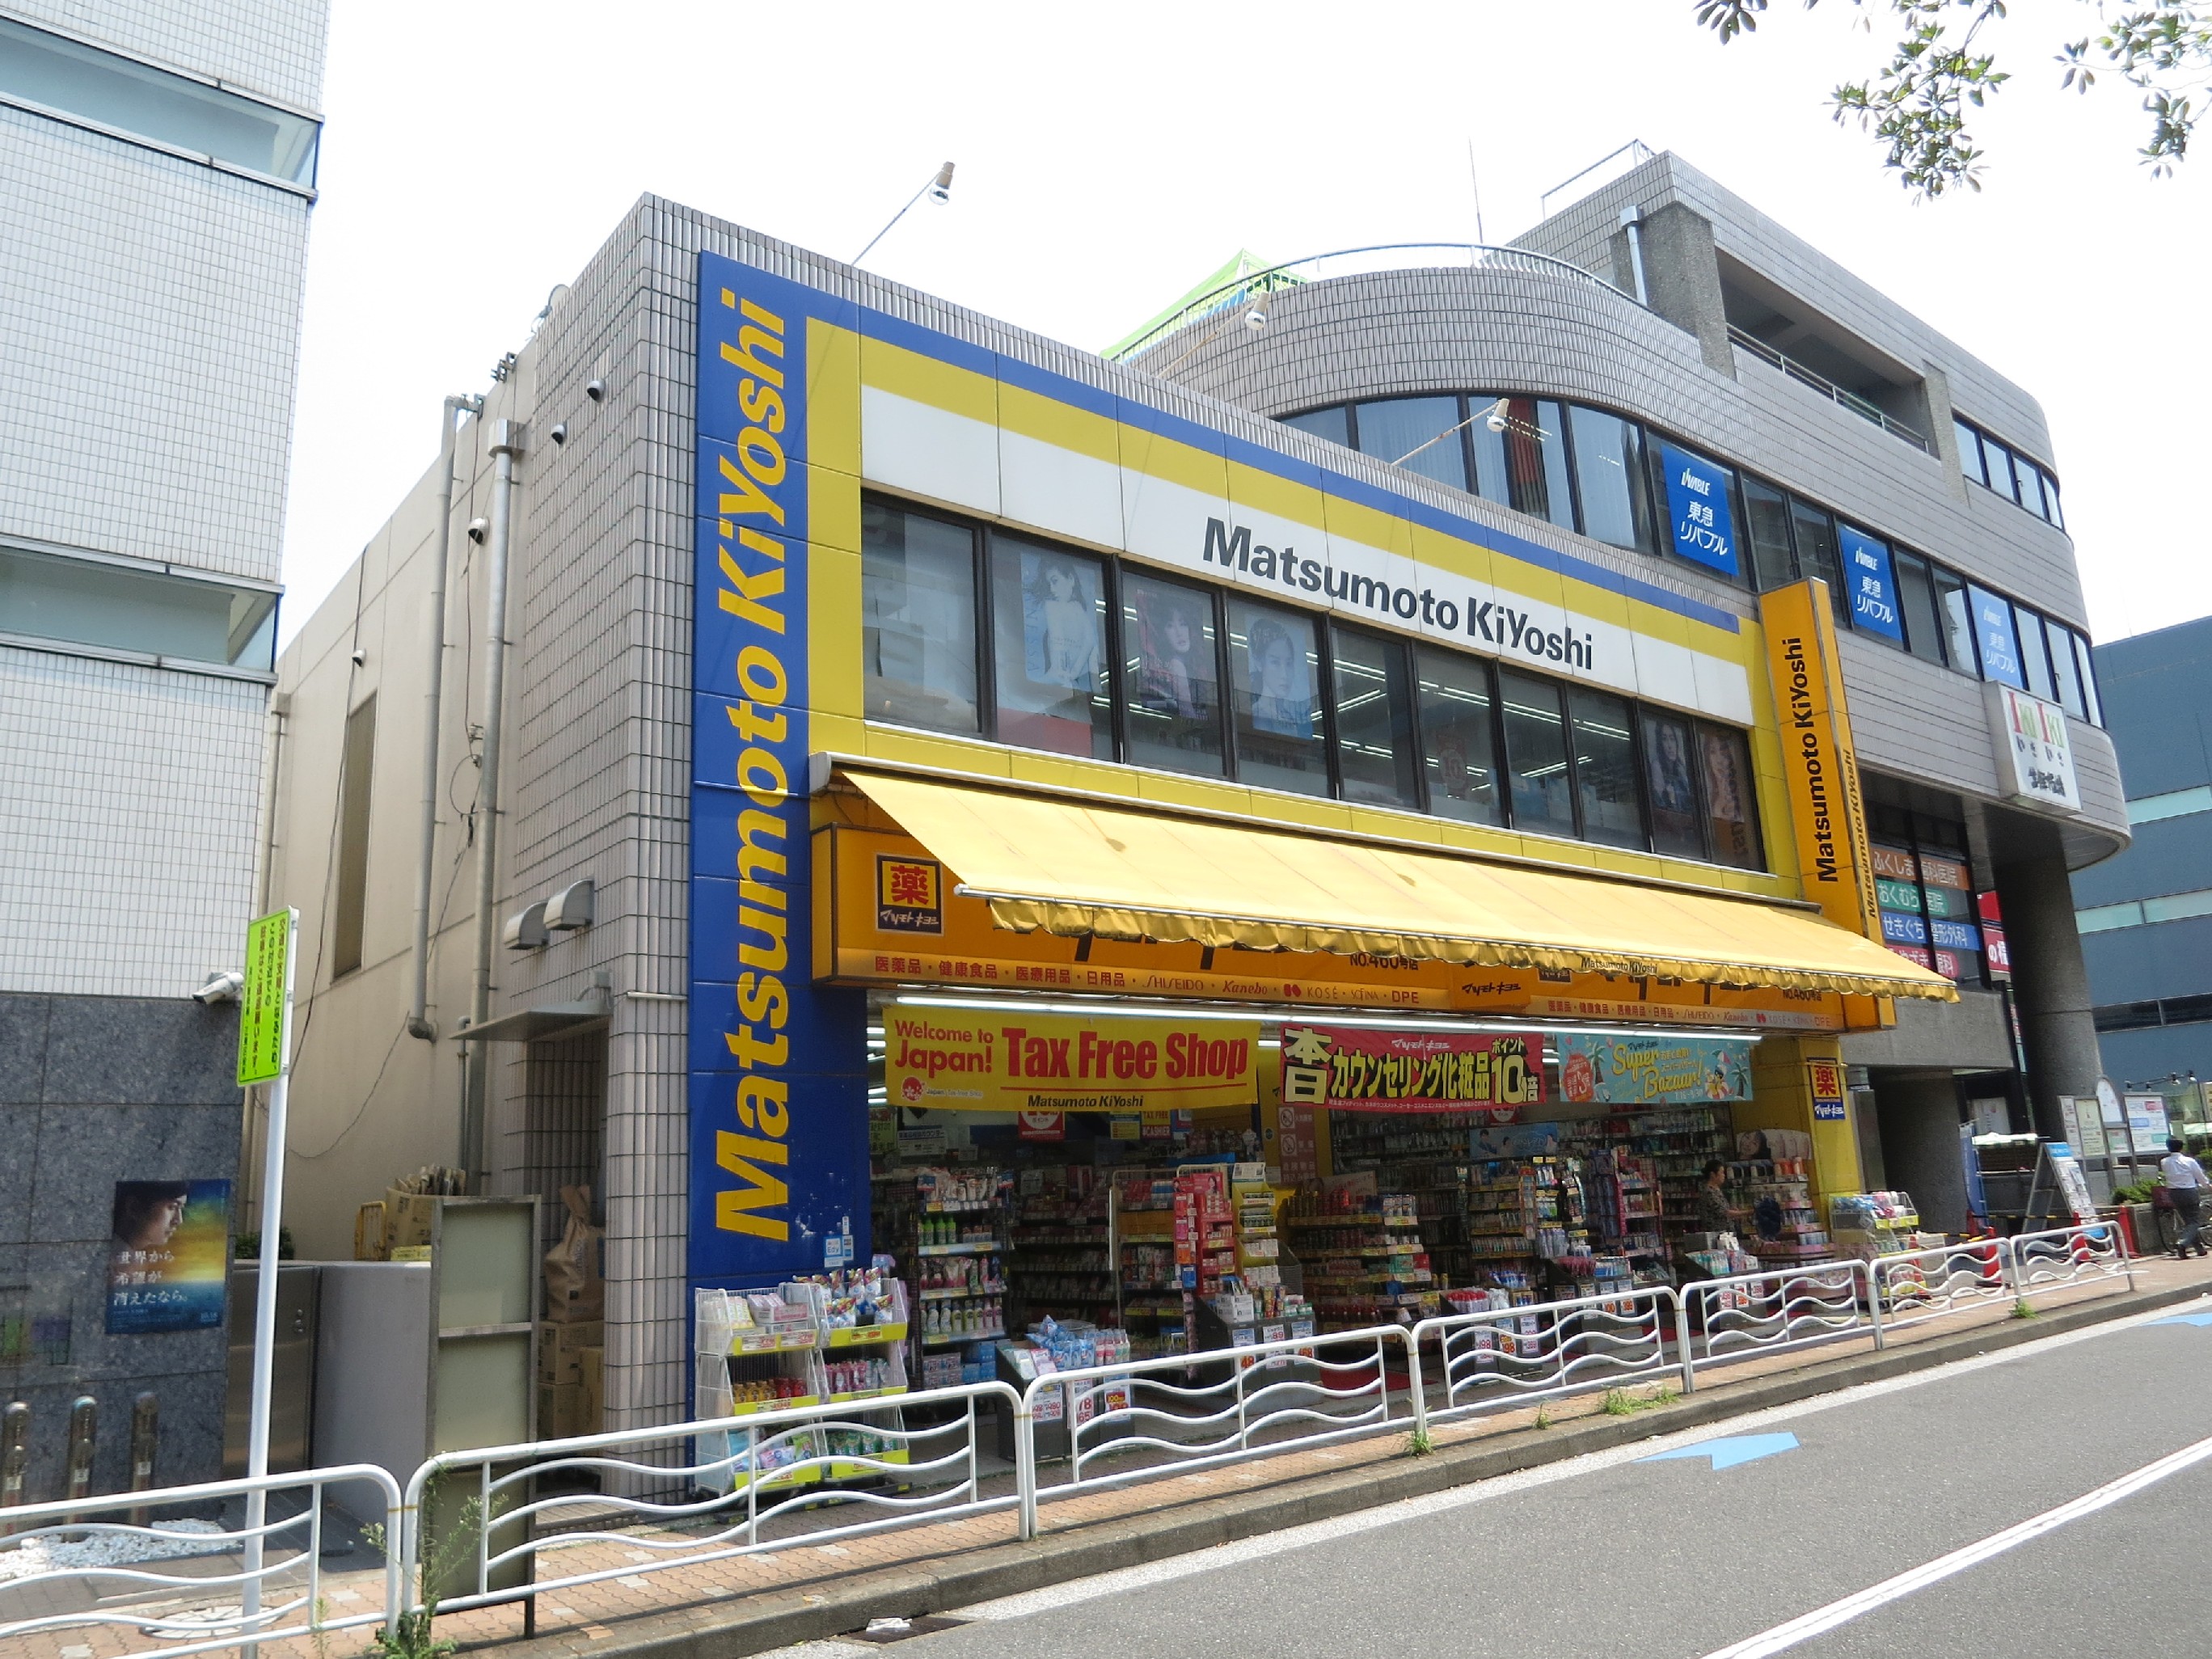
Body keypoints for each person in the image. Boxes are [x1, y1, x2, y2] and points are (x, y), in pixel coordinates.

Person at [2162, 1136, 2209, 1260]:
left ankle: (2199, 1249)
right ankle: (2182, 1243)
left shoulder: (2164, 1162)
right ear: (2182, 1147)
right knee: (2194, 1221)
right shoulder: (2189, 1161)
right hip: (2189, 1191)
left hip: (2174, 1193)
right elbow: (2200, 1176)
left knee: (2188, 1222)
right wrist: (2207, 1185)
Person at [1696, 1159, 1734, 1235]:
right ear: (1713, 1174)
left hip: (1725, 1233)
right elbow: (1725, 1212)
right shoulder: (1709, 1192)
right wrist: (1747, 1212)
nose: (1724, 1175)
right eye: (1722, 1173)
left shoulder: (1716, 1190)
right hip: (1716, 1234)